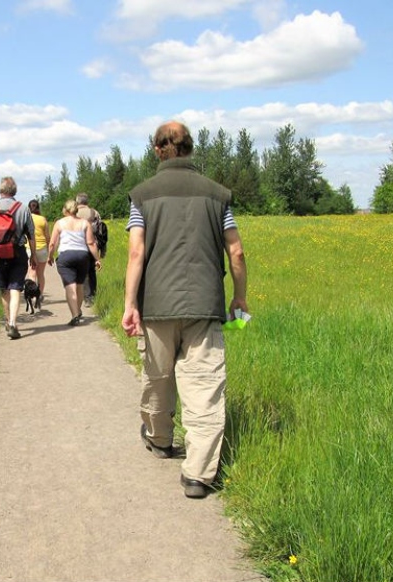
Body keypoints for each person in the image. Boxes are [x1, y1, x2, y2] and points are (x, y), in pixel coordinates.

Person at [121, 121, 248, 499]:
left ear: (158, 150)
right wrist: (239, 298)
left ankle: (160, 440)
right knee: (205, 387)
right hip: (205, 305)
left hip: (157, 304)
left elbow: (136, 251)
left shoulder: (142, 195)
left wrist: (130, 304)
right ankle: (197, 474)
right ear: (189, 148)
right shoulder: (217, 195)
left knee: (158, 377)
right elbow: (236, 251)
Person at [0, 177, 37, 339]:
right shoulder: (23, 208)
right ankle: (12, 322)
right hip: (18, 253)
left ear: (0, 190)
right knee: (15, 288)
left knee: (4, 289)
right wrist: (33, 254)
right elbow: (31, 234)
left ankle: (8, 321)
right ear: (15, 191)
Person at [48, 199, 101, 326]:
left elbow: (52, 243)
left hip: (66, 256)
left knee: (70, 286)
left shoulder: (59, 223)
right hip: (83, 256)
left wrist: (50, 256)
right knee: (79, 285)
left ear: (65, 210)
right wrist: (97, 259)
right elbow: (90, 243)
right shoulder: (85, 223)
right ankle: (78, 310)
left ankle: (75, 315)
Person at [74, 193, 100, 307]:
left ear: (77, 202)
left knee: (81, 272)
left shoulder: (74, 213)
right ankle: (91, 296)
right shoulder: (94, 213)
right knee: (91, 271)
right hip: (92, 244)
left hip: (78, 245)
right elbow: (100, 230)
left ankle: (83, 295)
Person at [28, 199, 50, 298]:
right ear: (38, 208)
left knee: (32, 273)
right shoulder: (43, 219)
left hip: (29, 249)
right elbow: (47, 237)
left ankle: (32, 294)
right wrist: (50, 252)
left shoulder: (27, 219)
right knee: (40, 274)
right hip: (42, 249)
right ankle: (39, 294)